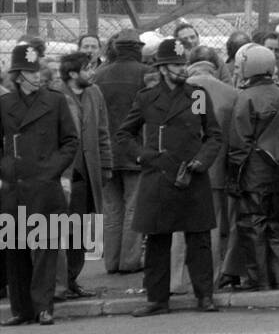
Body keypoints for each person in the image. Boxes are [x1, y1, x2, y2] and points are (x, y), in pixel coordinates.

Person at [116, 38, 224, 316]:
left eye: (182, 63)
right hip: (159, 176)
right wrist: (142, 156)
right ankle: (157, 299)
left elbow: (212, 135)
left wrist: (202, 160)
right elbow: (124, 135)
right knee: (157, 241)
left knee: (198, 240)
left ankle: (204, 295)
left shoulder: (197, 95)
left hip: (191, 175)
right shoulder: (146, 98)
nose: (181, 68)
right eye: (176, 64)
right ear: (163, 68)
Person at [2, 45, 79, 325]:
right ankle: (21, 310)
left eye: (38, 71)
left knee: (46, 249)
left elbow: (70, 141)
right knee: (16, 250)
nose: (38, 77)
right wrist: (6, 168)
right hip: (15, 186)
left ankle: (44, 307)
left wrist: (52, 170)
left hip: (45, 185)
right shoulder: (5, 104)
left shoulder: (55, 101)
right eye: (31, 72)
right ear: (18, 75)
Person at [226, 44, 279, 291]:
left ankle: (258, 280)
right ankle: (276, 281)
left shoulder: (246, 97)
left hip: (254, 172)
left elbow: (239, 141)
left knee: (253, 226)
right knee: (276, 227)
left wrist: (234, 177)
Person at [57, 51, 113, 300]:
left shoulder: (94, 93)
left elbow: (102, 131)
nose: (92, 72)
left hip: (89, 172)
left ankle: (72, 279)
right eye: (87, 68)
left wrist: (106, 166)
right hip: (66, 174)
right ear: (72, 74)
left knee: (81, 230)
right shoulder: (56, 96)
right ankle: (60, 281)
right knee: (62, 229)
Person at [185, 48, 240, 289]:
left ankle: (178, 279)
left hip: (180, 168)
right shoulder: (232, 94)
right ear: (216, 65)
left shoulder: (174, 90)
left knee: (179, 225)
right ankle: (211, 277)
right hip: (217, 168)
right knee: (213, 225)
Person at [94, 29, 149, 274]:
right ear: (137, 47)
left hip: (105, 152)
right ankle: (129, 261)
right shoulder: (145, 73)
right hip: (134, 150)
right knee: (133, 207)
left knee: (111, 209)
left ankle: (111, 262)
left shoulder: (99, 75)